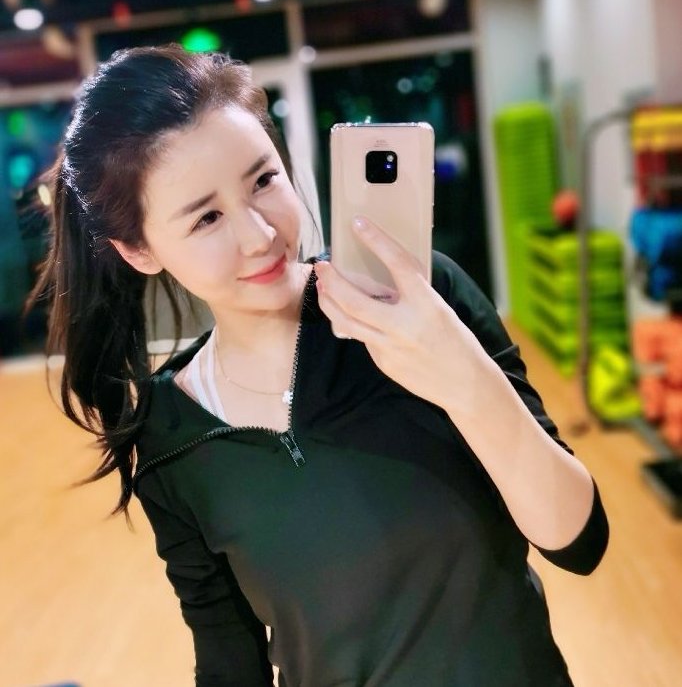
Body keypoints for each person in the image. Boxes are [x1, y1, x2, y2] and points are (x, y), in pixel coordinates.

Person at [32, 44, 608, 687]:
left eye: (263, 180)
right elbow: (231, 666)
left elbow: (578, 540)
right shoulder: (172, 438)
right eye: (207, 217)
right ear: (139, 251)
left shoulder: (425, 302)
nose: (260, 235)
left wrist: (460, 375)